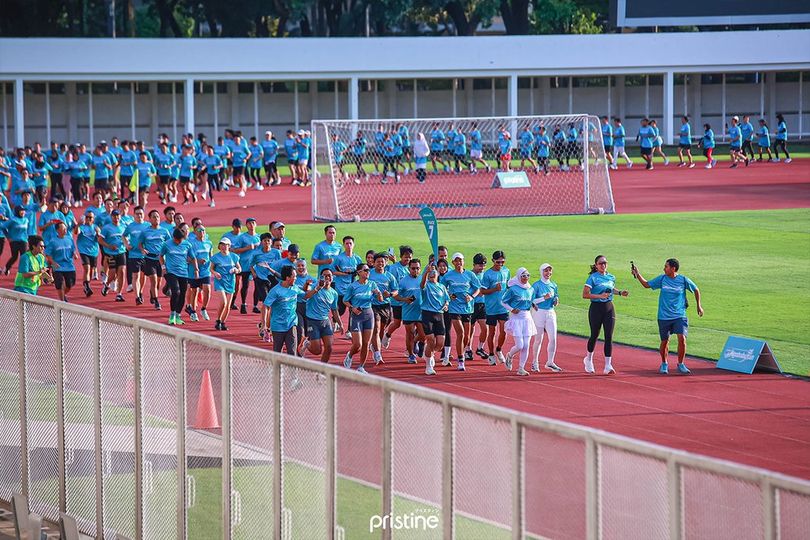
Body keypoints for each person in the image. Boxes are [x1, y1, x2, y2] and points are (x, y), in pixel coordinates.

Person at [632, 258, 704, 374]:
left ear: (673, 268)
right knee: (665, 341)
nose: (664, 268)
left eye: (666, 266)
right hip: (664, 316)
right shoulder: (662, 279)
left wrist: (698, 306)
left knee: (682, 339)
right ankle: (664, 363)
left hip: (679, 315)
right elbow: (646, 285)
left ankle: (681, 364)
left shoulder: (683, 280)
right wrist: (637, 274)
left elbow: (696, 289)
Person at [582, 255, 629, 375]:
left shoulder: (611, 276)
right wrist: (600, 296)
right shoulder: (592, 278)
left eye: (605, 263)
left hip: (609, 307)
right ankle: (588, 359)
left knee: (609, 336)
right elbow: (585, 294)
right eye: (601, 263)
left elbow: (611, 289)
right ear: (596, 265)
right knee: (595, 335)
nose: (603, 265)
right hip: (596, 308)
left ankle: (608, 365)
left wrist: (619, 292)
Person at [440, 253, 481, 371]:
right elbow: (441, 288)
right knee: (461, 333)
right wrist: (448, 295)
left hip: (467, 308)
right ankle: (461, 360)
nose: (459, 263)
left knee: (467, 337)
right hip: (454, 308)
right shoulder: (448, 275)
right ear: (453, 262)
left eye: (461, 260)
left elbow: (477, 288)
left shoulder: (470, 274)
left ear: (464, 261)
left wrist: (471, 296)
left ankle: (461, 352)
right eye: (456, 261)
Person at [343, 263, 383, 373]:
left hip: (368, 314)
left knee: (366, 343)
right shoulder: (353, 286)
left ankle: (361, 366)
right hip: (357, 315)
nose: (368, 272)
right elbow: (345, 300)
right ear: (359, 272)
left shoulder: (372, 284)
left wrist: (379, 294)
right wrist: (352, 308)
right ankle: (350, 355)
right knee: (358, 344)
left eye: (369, 270)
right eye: (365, 270)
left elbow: (380, 299)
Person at [300, 268, 342, 362]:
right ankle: (307, 344)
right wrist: (317, 288)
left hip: (325, 322)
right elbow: (306, 296)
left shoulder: (334, 293)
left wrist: (340, 324)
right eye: (324, 275)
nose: (327, 277)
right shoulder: (315, 286)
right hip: (313, 321)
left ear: (332, 278)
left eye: (329, 276)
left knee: (329, 348)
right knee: (317, 351)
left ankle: (322, 371)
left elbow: (334, 310)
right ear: (320, 277)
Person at [262, 265, 305, 355]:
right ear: (287, 278)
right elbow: (265, 306)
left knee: (292, 352)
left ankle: (292, 369)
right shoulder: (275, 291)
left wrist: (317, 289)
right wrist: (264, 324)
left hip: (291, 324)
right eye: (294, 276)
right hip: (278, 326)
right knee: (278, 353)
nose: (296, 278)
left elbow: (306, 295)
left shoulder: (295, 288)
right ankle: (277, 369)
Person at [160, 227, 198, 326]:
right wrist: (163, 267)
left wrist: (196, 270)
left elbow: (193, 258)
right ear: (173, 238)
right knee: (176, 292)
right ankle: (172, 315)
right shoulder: (167, 244)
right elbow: (160, 256)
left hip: (184, 273)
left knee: (182, 294)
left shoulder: (187, 245)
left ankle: (178, 315)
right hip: (171, 272)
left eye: (180, 240)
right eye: (177, 240)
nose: (179, 242)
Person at [502, 268, 536, 376]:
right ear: (519, 277)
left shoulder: (530, 289)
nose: (526, 278)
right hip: (517, 318)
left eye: (527, 276)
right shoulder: (513, 289)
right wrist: (511, 309)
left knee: (526, 345)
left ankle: (521, 368)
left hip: (527, 318)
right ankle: (510, 355)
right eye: (523, 276)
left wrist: (535, 305)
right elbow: (503, 301)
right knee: (520, 345)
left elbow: (532, 300)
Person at [392, 257, 426, 365]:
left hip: (421, 311)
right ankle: (411, 354)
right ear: (409, 268)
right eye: (413, 268)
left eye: (417, 268)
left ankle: (417, 342)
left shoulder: (422, 279)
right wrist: (404, 300)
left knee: (423, 335)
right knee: (410, 333)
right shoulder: (403, 281)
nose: (415, 270)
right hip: (408, 311)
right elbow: (396, 296)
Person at [480, 250, 510, 366]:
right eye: (498, 262)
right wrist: (494, 289)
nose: (500, 264)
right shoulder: (488, 274)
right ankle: (491, 354)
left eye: (502, 262)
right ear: (493, 261)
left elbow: (508, 286)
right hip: (491, 308)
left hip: (503, 307)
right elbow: (482, 291)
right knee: (492, 332)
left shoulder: (506, 271)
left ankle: (499, 349)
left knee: (504, 331)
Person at [530, 263, 562, 372]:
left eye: (549, 271)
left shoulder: (553, 284)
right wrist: (544, 298)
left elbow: (556, 297)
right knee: (539, 338)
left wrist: (556, 301)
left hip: (550, 312)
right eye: (546, 271)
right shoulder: (536, 285)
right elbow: (532, 301)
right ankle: (535, 362)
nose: (548, 273)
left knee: (553, 338)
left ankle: (550, 362)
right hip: (539, 312)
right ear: (541, 272)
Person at [420, 263, 450, 375]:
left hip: (439, 315)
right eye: (430, 273)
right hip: (428, 314)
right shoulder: (426, 285)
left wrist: (446, 304)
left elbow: (447, 299)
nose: (432, 274)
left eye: (434, 272)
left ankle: (429, 353)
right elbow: (421, 285)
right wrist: (426, 273)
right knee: (431, 340)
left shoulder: (441, 287)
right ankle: (428, 366)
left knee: (440, 344)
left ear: (437, 274)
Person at [137, 209, 171, 310]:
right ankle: (156, 301)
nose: (156, 218)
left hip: (160, 260)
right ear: (150, 219)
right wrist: (142, 249)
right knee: (154, 280)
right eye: (154, 217)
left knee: (159, 282)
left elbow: (169, 243)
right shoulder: (145, 231)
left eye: (157, 216)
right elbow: (140, 243)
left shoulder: (164, 231)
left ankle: (153, 294)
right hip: (149, 259)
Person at [368, 252, 398, 365]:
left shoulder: (389, 276)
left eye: (382, 261)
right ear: (374, 263)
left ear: (385, 263)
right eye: (378, 261)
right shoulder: (369, 274)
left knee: (381, 330)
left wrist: (389, 294)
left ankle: (375, 345)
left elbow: (396, 290)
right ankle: (378, 354)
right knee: (376, 328)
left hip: (385, 305)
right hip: (373, 305)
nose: (380, 263)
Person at [210, 238, 240, 330]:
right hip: (220, 281)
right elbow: (211, 269)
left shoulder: (234, 257)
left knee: (228, 305)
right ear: (219, 246)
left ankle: (223, 322)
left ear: (229, 246)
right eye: (222, 244)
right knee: (223, 302)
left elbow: (239, 269)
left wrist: (236, 270)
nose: (224, 246)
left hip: (230, 282)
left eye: (226, 244)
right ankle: (218, 320)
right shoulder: (215, 257)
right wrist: (215, 273)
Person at [97, 210, 127, 302]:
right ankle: (107, 285)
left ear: (120, 217)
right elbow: (100, 240)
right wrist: (109, 246)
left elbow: (126, 238)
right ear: (111, 217)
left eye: (118, 216)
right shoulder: (106, 228)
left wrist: (126, 244)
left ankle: (119, 294)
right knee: (113, 273)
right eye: (114, 216)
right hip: (110, 253)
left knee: (121, 272)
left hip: (121, 252)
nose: (116, 218)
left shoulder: (123, 227)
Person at [44, 221, 76, 302]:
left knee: (70, 284)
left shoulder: (69, 239)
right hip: (57, 265)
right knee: (59, 284)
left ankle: (63, 294)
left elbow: (72, 249)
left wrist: (74, 254)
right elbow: (47, 254)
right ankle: (62, 302)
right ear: (58, 230)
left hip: (69, 265)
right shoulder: (53, 241)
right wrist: (53, 263)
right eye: (63, 228)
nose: (65, 230)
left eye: (65, 228)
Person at [186, 225, 213, 322]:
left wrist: (212, 265)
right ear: (195, 232)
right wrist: (198, 261)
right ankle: (193, 311)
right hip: (194, 271)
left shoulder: (209, 243)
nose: (202, 232)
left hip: (206, 271)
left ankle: (204, 309)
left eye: (203, 230)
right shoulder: (191, 244)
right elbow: (188, 258)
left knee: (207, 289)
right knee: (195, 291)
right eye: (199, 230)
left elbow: (211, 256)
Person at [233, 217, 260, 314]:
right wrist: (247, 248)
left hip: (256, 265)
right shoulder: (242, 237)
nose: (251, 225)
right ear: (246, 225)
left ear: (256, 224)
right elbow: (235, 250)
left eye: (253, 223)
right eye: (249, 223)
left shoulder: (259, 237)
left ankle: (255, 305)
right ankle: (243, 304)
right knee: (245, 285)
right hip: (245, 264)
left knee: (257, 285)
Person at [2, 205, 30, 275]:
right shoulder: (13, 220)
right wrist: (8, 237)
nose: (23, 212)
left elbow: (26, 230)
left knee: (24, 256)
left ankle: (23, 271)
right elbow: (3, 227)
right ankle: (7, 267)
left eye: (24, 210)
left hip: (23, 241)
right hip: (14, 241)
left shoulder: (26, 220)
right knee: (15, 256)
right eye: (21, 210)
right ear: (17, 211)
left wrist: (27, 238)